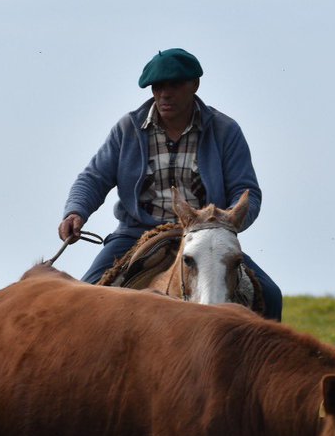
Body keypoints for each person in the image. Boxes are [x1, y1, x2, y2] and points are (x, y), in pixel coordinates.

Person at [58, 48, 283, 320]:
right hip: (137, 234)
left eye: (175, 85)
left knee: (270, 296)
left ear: (195, 85)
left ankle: (267, 361)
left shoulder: (225, 130)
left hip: (207, 234)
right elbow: (94, 177)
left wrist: (228, 222)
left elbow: (246, 190)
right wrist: (75, 212)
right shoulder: (128, 129)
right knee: (85, 301)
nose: (165, 93)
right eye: (158, 86)